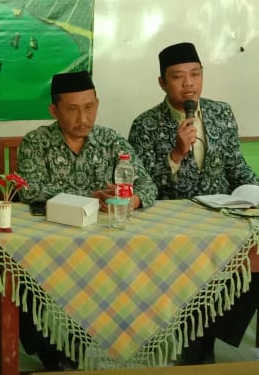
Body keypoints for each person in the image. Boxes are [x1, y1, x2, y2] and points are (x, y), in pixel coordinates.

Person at [128, 42, 259, 364]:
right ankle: (197, 345)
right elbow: (143, 184)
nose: (188, 83)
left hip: (222, 216)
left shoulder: (221, 113)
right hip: (171, 221)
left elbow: (236, 167)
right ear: (162, 83)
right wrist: (176, 154)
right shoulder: (145, 124)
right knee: (189, 265)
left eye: (195, 74)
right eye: (178, 76)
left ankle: (205, 334)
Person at [15, 70, 156, 370]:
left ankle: (107, 344)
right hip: (51, 246)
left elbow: (147, 185)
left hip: (105, 249)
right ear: (54, 110)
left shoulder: (111, 141)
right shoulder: (36, 142)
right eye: (73, 109)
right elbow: (29, 189)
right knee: (24, 275)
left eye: (89, 107)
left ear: (97, 104)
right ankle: (53, 352)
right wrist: (89, 197)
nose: (83, 118)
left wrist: (131, 200)